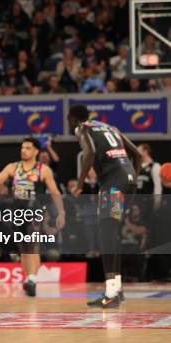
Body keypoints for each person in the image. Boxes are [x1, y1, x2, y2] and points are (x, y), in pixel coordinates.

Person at [68, 104, 141, 308]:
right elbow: (137, 154)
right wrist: (132, 180)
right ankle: (117, 289)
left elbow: (89, 152)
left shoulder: (82, 128)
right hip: (127, 184)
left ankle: (110, 292)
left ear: (73, 119)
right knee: (113, 233)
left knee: (107, 235)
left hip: (113, 186)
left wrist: (80, 184)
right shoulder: (110, 127)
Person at [0, 138, 65, 297]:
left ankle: (32, 280)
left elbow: (55, 192)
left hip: (35, 210)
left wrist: (61, 212)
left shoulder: (43, 170)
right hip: (17, 211)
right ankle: (29, 279)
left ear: (36, 152)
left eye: (28, 148)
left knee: (32, 245)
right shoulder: (13, 167)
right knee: (23, 249)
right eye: (22, 147)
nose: (23, 150)